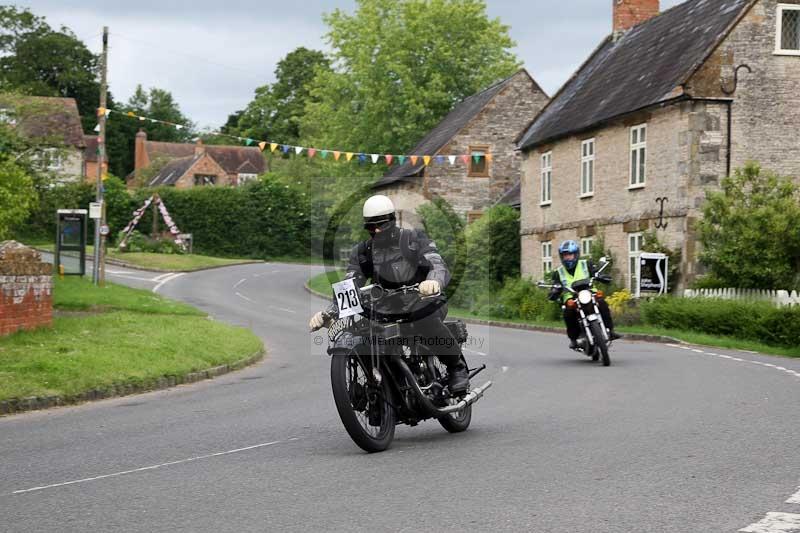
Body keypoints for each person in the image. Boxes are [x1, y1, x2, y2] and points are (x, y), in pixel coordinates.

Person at [309, 195, 470, 393]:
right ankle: (388, 386)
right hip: (386, 308)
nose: (376, 231)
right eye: (370, 227)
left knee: (423, 319)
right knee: (364, 330)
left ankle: (457, 369)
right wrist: (330, 312)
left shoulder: (412, 239)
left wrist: (433, 281)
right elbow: (349, 284)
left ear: (392, 220)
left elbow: (436, 262)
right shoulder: (362, 252)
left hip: (425, 300)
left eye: (381, 225)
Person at [547, 240, 621, 349]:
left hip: (589, 292)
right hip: (571, 297)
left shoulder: (586, 264)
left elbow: (595, 272)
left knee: (602, 303)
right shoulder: (558, 272)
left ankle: (610, 330)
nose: (568, 258)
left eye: (570, 255)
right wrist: (554, 290)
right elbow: (555, 285)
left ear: (576, 254)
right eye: (565, 256)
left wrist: (600, 276)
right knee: (568, 312)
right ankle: (573, 338)